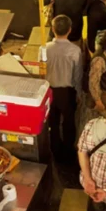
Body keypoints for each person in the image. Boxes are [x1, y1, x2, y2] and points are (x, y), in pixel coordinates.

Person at [45, 14, 83, 162]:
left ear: (53, 29)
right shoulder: (75, 50)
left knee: (52, 122)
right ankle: (68, 151)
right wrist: (78, 93)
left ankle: (54, 149)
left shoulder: (44, 48)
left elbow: (41, 71)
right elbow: (77, 75)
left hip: (49, 91)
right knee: (69, 122)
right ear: (70, 30)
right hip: (67, 92)